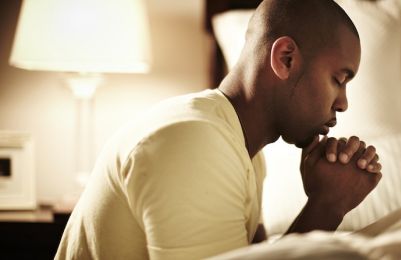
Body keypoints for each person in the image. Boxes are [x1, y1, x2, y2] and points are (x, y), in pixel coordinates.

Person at [55, 0, 382, 259]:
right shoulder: (195, 143)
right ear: (285, 59)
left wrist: (323, 200)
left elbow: (256, 258)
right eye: (338, 80)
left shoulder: (239, 147)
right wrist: (328, 205)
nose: (343, 104)